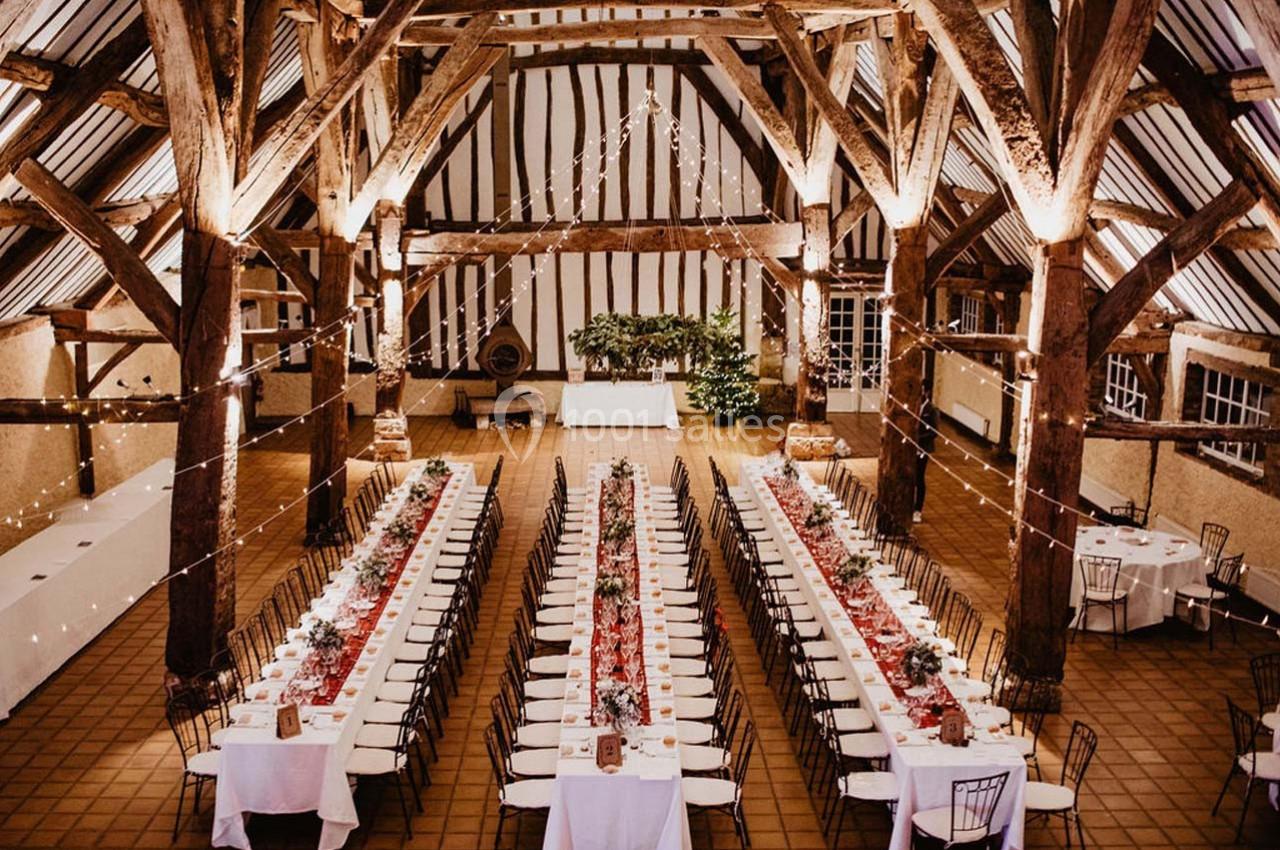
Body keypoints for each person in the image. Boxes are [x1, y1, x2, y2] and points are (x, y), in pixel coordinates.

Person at [914, 388, 937, 523]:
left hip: (923, 449)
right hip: (911, 448)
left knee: (919, 478)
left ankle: (918, 509)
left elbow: (934, 432)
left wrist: (919, 438)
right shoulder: (913, 406)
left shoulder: (931, 410)